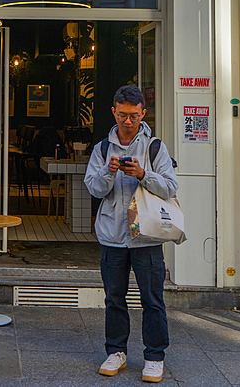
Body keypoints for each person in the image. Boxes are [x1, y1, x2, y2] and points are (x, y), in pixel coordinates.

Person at [84, 84, 178, 383]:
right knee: (114, 298)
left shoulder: (155, 147)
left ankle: (154, 356)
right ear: (114, 111)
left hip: (146, 237)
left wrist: (142, 174)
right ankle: (116, 352)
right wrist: (109, 172)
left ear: (143, 113)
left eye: (134, 116)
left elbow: (171, 187)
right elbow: (94, 189)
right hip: (112, 235)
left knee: (152, 298)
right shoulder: (102, 148)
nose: (128, 121)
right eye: (123, 115)